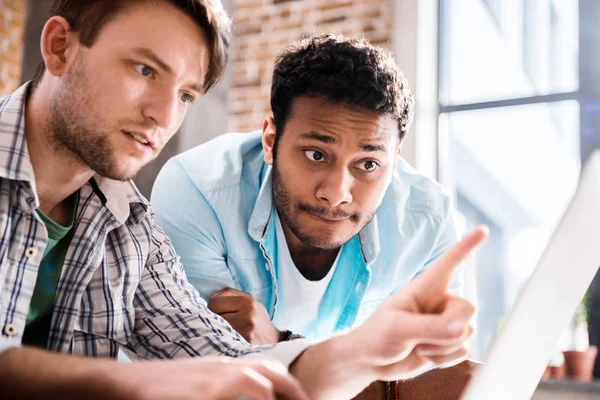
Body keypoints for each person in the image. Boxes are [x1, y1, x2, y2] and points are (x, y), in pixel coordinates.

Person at [0, 1, 486, 399]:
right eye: (145, 69)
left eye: (187, 94)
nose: (164, 116)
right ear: (60, 47)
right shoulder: (196, 186)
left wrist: (362, 353)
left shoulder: (126, 225)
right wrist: (152, 384)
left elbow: (218, 359)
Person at [152, 34, 464, 343]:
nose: (336, 193)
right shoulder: (197, 189)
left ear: (394, 162)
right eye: (315, 154)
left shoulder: (429, 222)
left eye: (368, 164)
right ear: (271, 141)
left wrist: (279, 343)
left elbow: (431, 378)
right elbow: (205, 362)